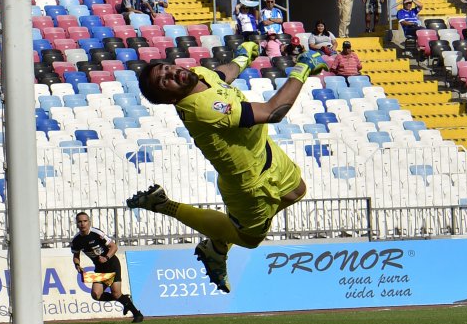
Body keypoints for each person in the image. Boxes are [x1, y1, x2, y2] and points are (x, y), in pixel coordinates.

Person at [126, 47, 330, 293]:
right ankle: (164, 204)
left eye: (167, 68)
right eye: (164, 81)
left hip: (266, 153)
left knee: (297, 191)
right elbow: (273, 112)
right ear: (171, 99)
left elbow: (222, 75)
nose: (171, 73)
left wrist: (242, 56)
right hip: (249, 184)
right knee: (248, 240)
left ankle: (218, 246)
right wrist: (302, 68)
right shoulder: (203, 109)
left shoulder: (198, 74)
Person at [71, 212, 143, 323]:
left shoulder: (96, 233)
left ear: (89, 222)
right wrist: (77, 265)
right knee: (96, 295)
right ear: (76, 224)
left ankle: (137, 315)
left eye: (85, 221)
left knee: (116, 293)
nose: (82, 224)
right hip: (100, 269)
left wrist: (106, 257)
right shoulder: (76, 240)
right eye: (80, 221)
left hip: (112, 264)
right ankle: (125, 300)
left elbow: (113, 246)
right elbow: (76, 256)